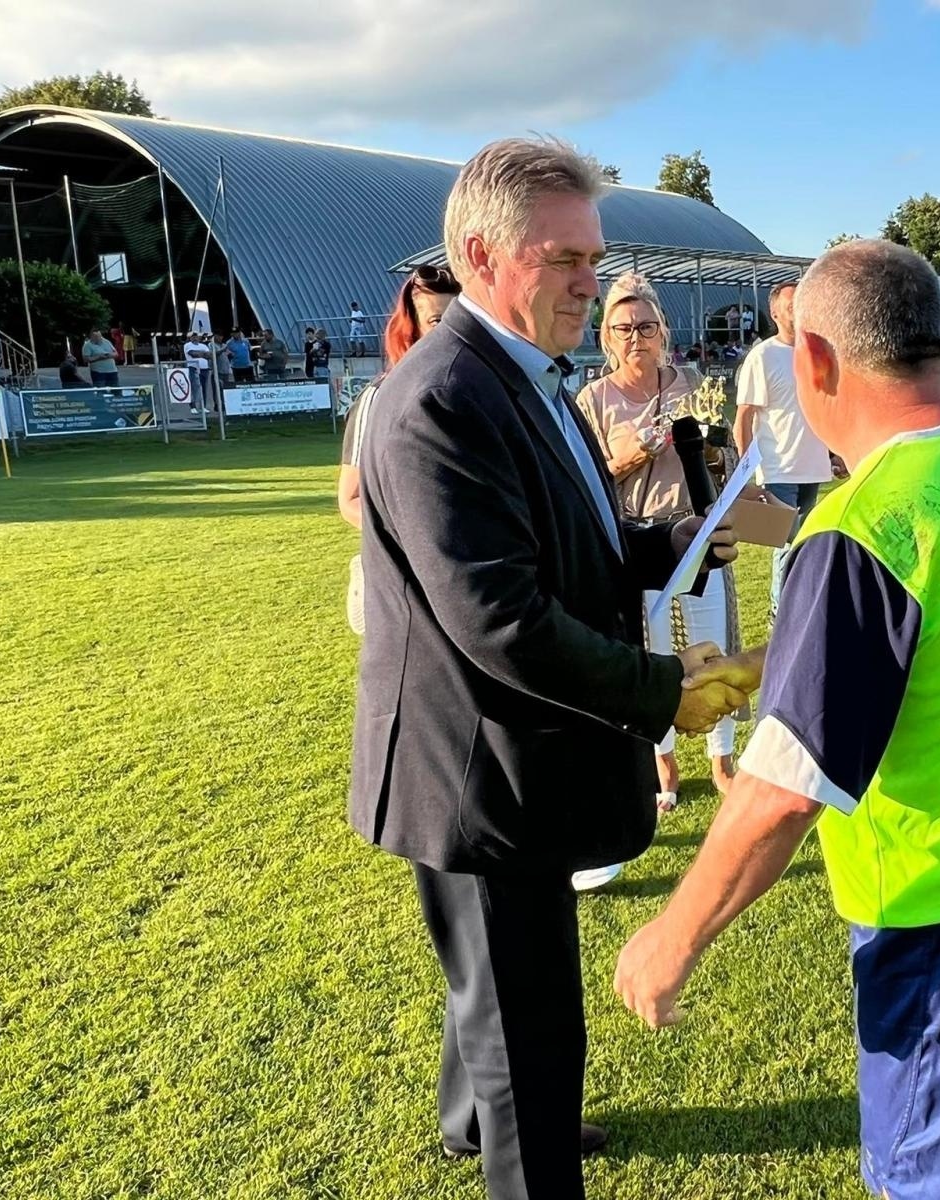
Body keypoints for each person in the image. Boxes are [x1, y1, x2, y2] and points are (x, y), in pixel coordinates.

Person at [614, 240, 940, 1200]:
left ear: (816, 361)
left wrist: (672, 934)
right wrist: (768, 664)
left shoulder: (866, 523)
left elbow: (780, 794)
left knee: (926, 1178)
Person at [349, 137, 744, 1200]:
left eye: (594, 258)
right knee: (530, 1044)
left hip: (503, 766)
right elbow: (501, 619)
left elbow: (574, 537)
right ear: (481, 254)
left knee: (497, 991)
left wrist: (679, 544)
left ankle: (468, 1124)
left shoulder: (523, 377)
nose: (591, 284)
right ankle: (505, 1138)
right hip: (480, 776)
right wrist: (666, 691)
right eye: (565, 260)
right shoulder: (441, 397)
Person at [577, 272, 739, 825]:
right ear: (606, 337)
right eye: (622, 328)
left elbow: (725, 457)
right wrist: (632, 456)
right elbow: (588, 482)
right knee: (651, 655)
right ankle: (663, 761)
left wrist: (715, 450)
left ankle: (722, 759)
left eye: (645, 325)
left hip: (697, 531)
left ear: (663, 330)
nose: (635, 337)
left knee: (712, 646)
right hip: (635, 539)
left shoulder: (693, 383)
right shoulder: (593, 399)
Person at [337, 264, 462, 632]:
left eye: (457, 316)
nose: (451, 330)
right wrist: (424, 535)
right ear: (412, 328)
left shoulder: (478, 398)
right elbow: (350, 499)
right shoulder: (378, 398)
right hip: (404, 582)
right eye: (437, 321)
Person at [735, 280, 833, 619]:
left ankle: (798, 609)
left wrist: (834, 453)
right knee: (785, 545)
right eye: (792, 304)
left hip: (813, 467)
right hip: (779, 468)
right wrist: (745, 471)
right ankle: (781, 616)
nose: (799, 309)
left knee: (803, 544)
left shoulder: (815, 352)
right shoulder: (762, 357)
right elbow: (744, 417)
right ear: (775, 312)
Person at [183, 330, 213, 408]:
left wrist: (200, 354)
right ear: (190, 338)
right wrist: (203, 354)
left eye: (196, 336)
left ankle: (203, 406)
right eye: (193, 336)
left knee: (204, 388)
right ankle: (193, 406)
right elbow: (192, 354)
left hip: (204, 369)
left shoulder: (203, 346)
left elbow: (209, 355)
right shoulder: (188, 345)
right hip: (194, 368)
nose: (195, 338)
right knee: (194, 387)